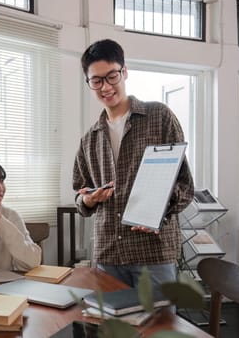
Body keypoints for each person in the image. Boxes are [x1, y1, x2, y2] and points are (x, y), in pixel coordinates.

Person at [72, 39, 194, 288]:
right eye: (97, 80)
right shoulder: (89, 139)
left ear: (124, 72)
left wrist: (160, 209)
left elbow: (185, 186)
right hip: (109, 254)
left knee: (159, 326)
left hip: (153, 252)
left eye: (112, 76)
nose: (105, 86)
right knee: (113, 327)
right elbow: (80, 195)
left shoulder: (159, 116)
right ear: (89, 83)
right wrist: (88, 199)